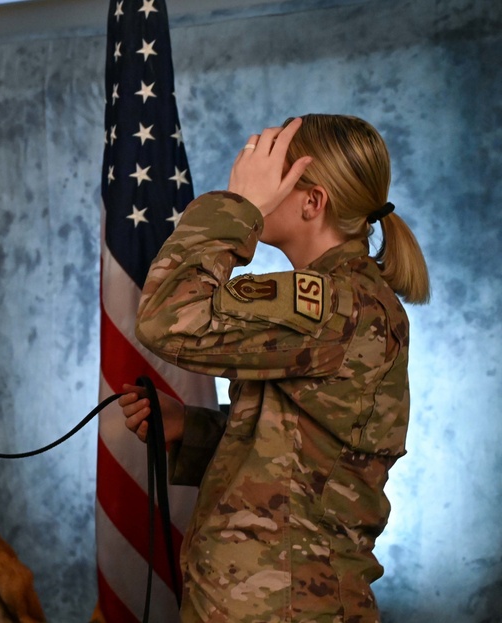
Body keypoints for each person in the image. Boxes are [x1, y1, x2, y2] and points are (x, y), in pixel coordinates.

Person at [119, 115, 429, 622]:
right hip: (278, 599)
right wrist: (194, 429)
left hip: (282, 606)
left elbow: (164, 319)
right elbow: (306, 443)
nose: (259, 182)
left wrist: (237, 207)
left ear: (313, 202)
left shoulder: (330, 304)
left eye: (277, 174)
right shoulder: (344, 298)